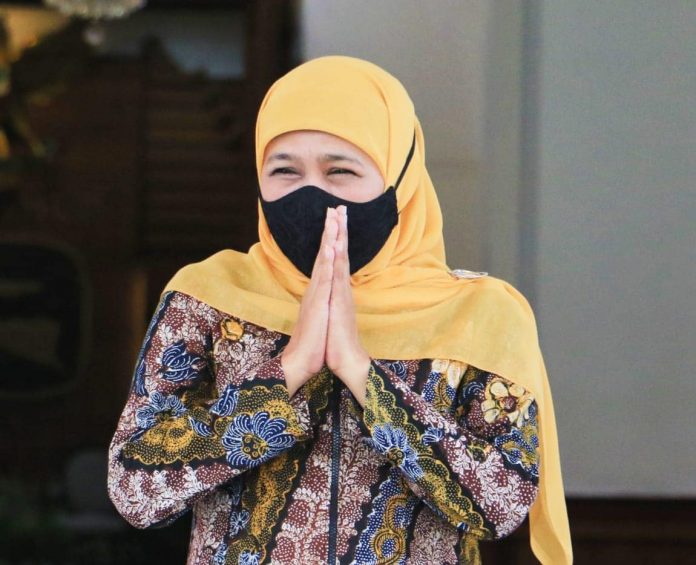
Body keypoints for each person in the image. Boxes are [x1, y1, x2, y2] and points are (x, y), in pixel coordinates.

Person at [107, 55, 572, 564]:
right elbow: (134, 491)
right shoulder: (209, 297)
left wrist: (362, 373)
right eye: (285, 170)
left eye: (341, 170)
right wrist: (287, 371)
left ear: (400, 178)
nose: (312, 194)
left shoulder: (478, 315)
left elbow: (500, 504)